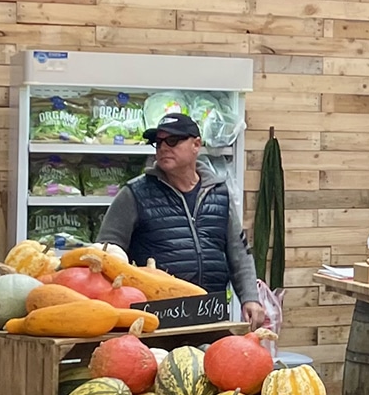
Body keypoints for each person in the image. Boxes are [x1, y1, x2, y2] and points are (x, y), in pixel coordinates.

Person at [97, 112, 264, 328]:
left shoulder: (219, 193)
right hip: (154, 322)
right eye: (158, 143)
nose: (164, 147)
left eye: (173, 140)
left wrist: (250, 297)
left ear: (196, 144)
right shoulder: (134, 194)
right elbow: (106, 252)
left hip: (210, 314)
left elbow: (239, 253)